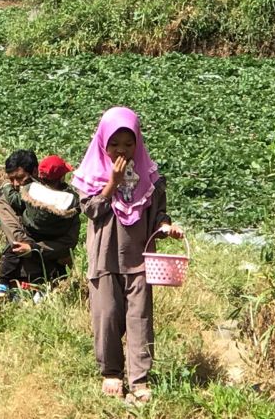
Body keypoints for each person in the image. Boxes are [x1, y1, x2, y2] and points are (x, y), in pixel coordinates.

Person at [73, 106, 184, 403]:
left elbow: (160, 212)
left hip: (140, 257)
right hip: (105, 257)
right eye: (114, 144)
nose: (122, 150)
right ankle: (111, 372)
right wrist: (113, 183)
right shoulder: (92, 174)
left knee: (140, 317)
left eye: (128, 143)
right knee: (106, 315)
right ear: (102, 143)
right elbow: (92, 210)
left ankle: (139, 378)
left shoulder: (150, 176)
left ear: (138, 143)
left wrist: (166, 226)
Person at [0, 151, 80, 299]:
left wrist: (34, 249)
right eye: (11, 180)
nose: (15, 184)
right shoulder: (7, 200)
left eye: (19, 178)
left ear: (35, 172)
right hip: (22, 275)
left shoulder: (64, 201)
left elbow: (69, 241)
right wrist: (43, 250)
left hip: (54, 276)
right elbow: (17, 239)